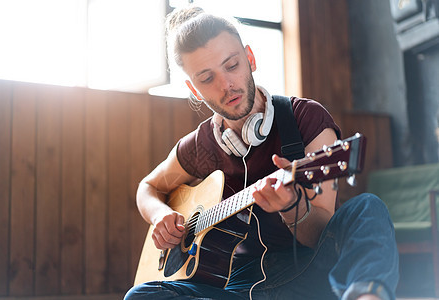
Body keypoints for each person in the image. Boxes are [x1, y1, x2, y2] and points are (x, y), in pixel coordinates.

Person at [124, 6, 399, 300]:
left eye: (232, 66)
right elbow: (147, 188)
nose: (226, 85)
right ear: (194, 89)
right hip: (241, 286)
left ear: (250, 59)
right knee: (141, 296)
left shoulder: (304, 118)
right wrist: (161, 215)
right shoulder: (203, 144)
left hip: (313, 276)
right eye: (207, 79)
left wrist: (291, 206)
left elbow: (321, 232)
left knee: (367, 207)